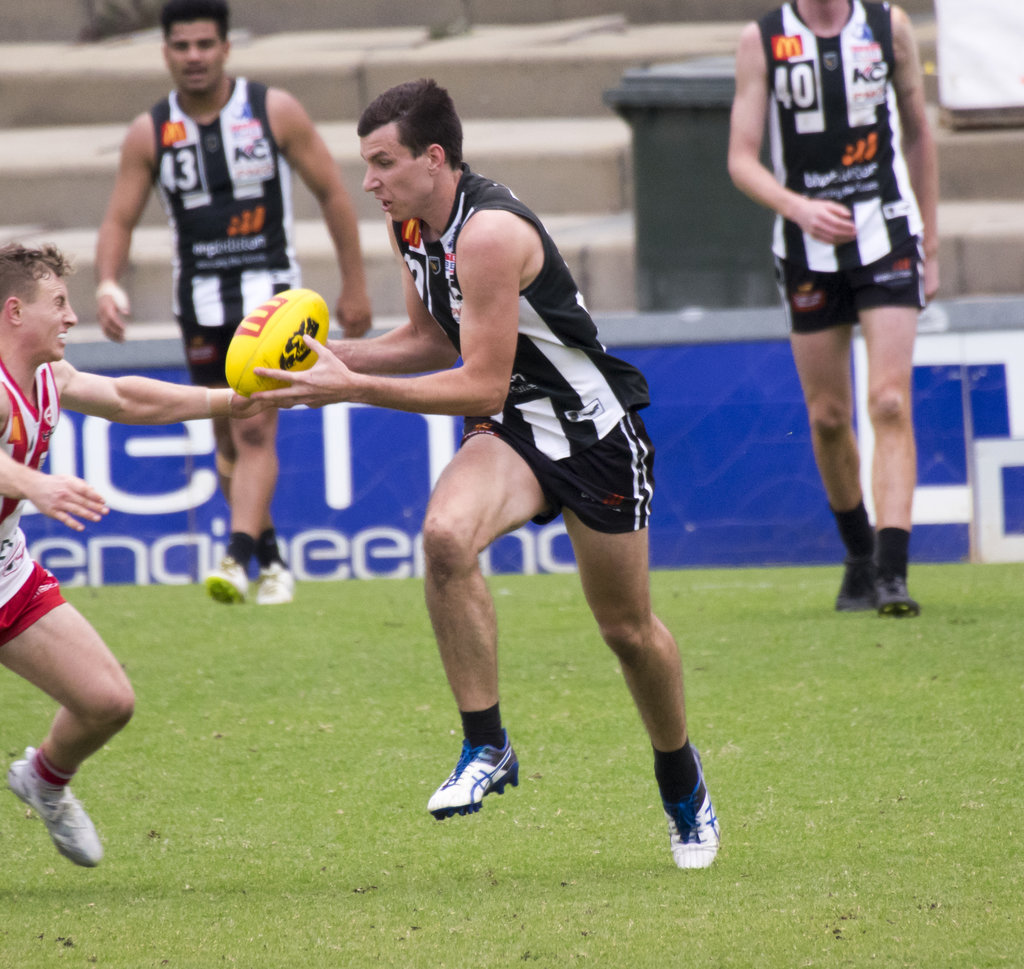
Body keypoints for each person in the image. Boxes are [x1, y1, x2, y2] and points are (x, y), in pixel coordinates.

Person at [253, 79, 720, 869]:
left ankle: (682, 782)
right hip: (512, 427)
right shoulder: (410, 224)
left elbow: (479, 383)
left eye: (383, 162)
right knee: (445, 535)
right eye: (366, 163)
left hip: (591, 432)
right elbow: (434, 340)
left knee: (626, 631)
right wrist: (321, 361)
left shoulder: (490, 234)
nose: (368, 181)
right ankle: (486, 744)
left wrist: (351, 386)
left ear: (434, 158)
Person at [0, 241, 270, 866]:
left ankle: (44, 780)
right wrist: (35, 484)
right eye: (58, 303)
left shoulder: (50, 378)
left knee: (107, 702)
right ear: (14, 311)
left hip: (6, 572)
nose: (72, 317)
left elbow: (127, 399)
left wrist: (231, 399)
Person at [95, 0, 372, 606]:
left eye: (204, 44)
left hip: (270, 301)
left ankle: (236, 557)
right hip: (199, 306)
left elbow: (333, 192)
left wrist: (354, 284)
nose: (193, 56)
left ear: (225, 47)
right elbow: (118, 218)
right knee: (224, 444)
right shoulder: (150, 131)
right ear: (165, 52)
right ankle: (271, 560)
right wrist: (108, 283)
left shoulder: (274, 110)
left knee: (251, 431)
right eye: (181, 45)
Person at [728, 0, 939, 616]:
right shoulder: (763, 39)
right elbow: (740, 158)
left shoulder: (888, 26)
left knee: (889, 401)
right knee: (826, 415)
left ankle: (893, 573)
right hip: (806, 248)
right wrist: (797, 208)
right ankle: (859, 555)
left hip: (888, 234)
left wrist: (929, 240)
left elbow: (920, 133)